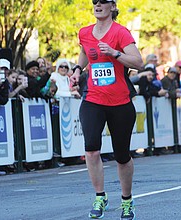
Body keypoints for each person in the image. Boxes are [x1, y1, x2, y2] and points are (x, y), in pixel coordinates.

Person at [70, 1, 143, 219]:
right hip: (93, 98)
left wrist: (114, 53)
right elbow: (85, 53)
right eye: (95, 2)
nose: (98, 5)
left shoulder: (121, 32)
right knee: (91, 149)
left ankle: (127, 200)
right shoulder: (84, 32)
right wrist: (76, 70)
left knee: (122, 156)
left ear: (112, 6)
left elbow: (138, 62)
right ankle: (100, 196)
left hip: (120, 102)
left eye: (103, 2)